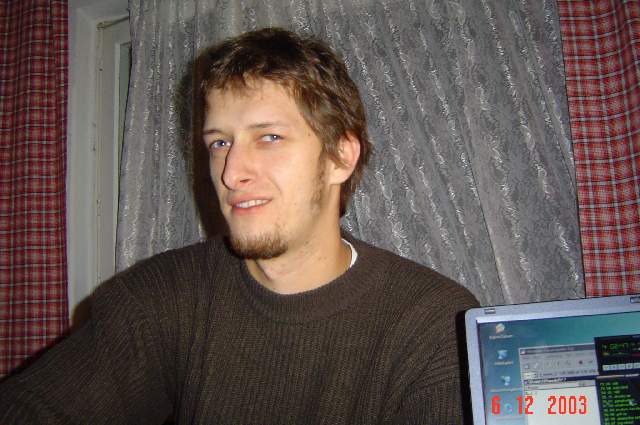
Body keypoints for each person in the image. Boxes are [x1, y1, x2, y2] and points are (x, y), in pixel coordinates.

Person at [0, 27, 478, 424]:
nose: (231, 173)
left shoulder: (434, 324)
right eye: (220, 143)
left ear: (340, 157)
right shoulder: (161, 299)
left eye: (268, 137)